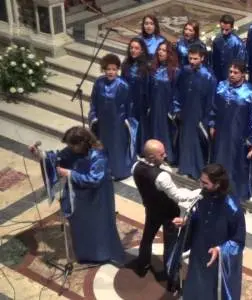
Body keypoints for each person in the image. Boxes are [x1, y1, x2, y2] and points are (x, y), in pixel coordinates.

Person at [30, 126, 124, 264]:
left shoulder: (98, 155)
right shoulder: (71, 151)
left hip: (97, 198)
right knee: (80, 225)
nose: (70, 148)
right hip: (77, 197)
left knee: (99, 225)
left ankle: (102, 254)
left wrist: (69, 174)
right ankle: (85, 254)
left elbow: (94, 179)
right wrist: (39, 155)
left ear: (82, 143)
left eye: (72, 145)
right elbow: (56, 158)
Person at [171, 164, 246, 300]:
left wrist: (221, 250)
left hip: (218, 259)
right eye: (201, 181)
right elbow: (197, 216)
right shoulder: (203, 196)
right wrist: (185, 222)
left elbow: (238, 240)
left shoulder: (233, 208)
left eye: (205, 182)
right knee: (197, 281)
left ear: (217, 184)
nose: (200, 185)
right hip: (199, 250)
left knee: (213, 289)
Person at [129, 139, 201, 278]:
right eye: (161, 154)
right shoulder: (162, 177)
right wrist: (198, 192)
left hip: (151, 209)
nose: (165, 156)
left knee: (147, 238)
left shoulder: (136, 167)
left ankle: (142, 266)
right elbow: (179, 196)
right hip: (169, 213)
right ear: (151, 157)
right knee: (170, 244)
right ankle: (170, 273)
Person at [209, 61, 252, 202]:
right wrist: (212, 124)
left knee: (236, 164)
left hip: (239, 135)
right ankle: (216, 187)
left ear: (243, 74)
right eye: (230, 71)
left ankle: (234, 193)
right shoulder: (221, 86)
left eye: (235, 72)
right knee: (219, 160)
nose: (231, 75)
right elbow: (214, 107)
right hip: (221, 133)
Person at [89, 53, 137, 180]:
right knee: (102, 146)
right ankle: (103, 169)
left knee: (116, 147)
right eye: (108, 69)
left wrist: (128, 121)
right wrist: (93, 116)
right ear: (103, 69)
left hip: (118, 123)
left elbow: (129, 105)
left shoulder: (123, 85)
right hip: (102, 122)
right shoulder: (99, 83)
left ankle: (118, 171)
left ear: (118, 70)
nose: (111, 72)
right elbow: (93, 101)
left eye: (114, 69)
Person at [176, 44, 217, 179]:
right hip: (186, 112)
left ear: (202, 58)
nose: (192, 61)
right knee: (185, 141)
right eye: (190, 58)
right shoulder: (185, 71)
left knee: (198, 143)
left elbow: (211, 101)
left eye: (195, 59)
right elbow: (178, 91)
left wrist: (207, 120)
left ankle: (197, 170)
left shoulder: (209, 77)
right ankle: (185, 167)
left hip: (200, 115)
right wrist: (177, 109)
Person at [148, 40, 180, 165]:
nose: (161, 52)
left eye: (164, 50)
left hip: (167, 108)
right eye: (159, 50)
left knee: (167, 131)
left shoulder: (175, 71)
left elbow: (177, 91)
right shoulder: (153, 68)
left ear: (170, 53)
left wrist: (174, 109)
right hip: (155, 106)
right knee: (155, 129)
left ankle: (167, 155)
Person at [121, 37, 151, 154]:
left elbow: (148, 86)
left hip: (141, 100)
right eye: (131, 48)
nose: (133, 50)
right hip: (128, 99)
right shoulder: (126, 64)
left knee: (139, 125)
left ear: (142, 50)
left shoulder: (147, 66)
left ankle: (139, 149)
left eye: (136, 48)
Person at [211, 14, 246, 82]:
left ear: (232, 28)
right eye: (222, 29)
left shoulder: (237, 43)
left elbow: (240, 63)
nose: (224, 32)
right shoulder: (217, 40)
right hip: (218, 75)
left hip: (232, 76)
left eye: (227, 30)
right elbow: (214, 60)